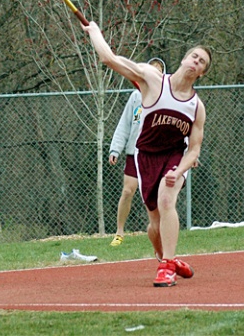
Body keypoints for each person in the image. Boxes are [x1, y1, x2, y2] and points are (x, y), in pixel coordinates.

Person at [81, 20, 212, 288]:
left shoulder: (196, 107)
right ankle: (168, 259)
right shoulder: (153, 80)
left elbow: (194, 148)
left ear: (201, 73)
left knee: (166, 201)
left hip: (174, 157)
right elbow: (110, 59)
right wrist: (94, 32)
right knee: (153, 221)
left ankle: (166, 266)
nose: (196, 62)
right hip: (145, 156)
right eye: (194, 56)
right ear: (185, 58)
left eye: (202, 63)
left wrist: (181, 169)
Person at [109, 57, 166, 247]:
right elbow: (125, 124)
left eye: (158, 71)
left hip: (156, 155)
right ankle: (119, 232)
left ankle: (159, 231)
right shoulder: (135, 96)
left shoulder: (166, 97)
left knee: (159, 196)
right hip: (135, 153)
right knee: (127, 191)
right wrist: (115, 148)